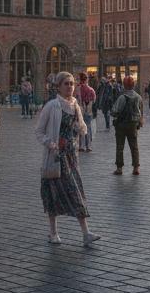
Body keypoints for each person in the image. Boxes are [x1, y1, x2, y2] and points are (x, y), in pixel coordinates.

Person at [35, 71, 99, 247]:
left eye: (72, 84)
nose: (70, 87)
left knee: (76, 192)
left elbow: (82, 127)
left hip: (71, 157)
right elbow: (39, 132)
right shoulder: (52, 106)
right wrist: (50, 143)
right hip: (56, 157)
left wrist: (81, 128)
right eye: (66, 84)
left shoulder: (75, 104)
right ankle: (53, 232)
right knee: (53, 194)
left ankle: (86, 233)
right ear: (59, 86)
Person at [110, 76, 143, 176]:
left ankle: (119, 168)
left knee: (120, 146)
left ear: (124, 85)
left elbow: (115, 111)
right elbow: (141, 111)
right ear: (133, 85)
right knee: (134, 146)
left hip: (121, 125)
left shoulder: (122, 97)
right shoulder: (138, 97)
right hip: (133, 125)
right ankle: (136, 167)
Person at [77, 73, 97, 152]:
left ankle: (81, 146)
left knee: (81, 127)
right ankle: (88, 145)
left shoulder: (77, 88)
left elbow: (76, 99)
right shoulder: (91, 89)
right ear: (86, 79)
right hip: (89, 111)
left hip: (80, 110)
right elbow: (94, 100)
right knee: (88, 128)